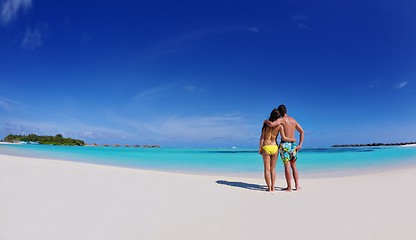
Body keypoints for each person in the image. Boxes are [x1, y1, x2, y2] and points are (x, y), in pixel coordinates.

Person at [264, 104, 304, 191]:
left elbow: (271, 124)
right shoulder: (293, 120)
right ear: (286, 111)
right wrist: (300, 145)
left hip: (285, 144)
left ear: (279, 112)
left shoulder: (281, 120)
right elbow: (302, 131)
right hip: (293, 145)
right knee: (294, 166)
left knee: (287, 166)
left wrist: (265, 121)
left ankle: (289, 187)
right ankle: (297, 186)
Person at [259, 109, 295, 192]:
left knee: (267, 169)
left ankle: (269, 188)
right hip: (275, 147)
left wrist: (260, 147)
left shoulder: (265, 124)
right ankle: (273, 187)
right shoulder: (280, 126)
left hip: (266, 146)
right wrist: (292, 139)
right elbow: (284, 138)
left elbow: (262, 137)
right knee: (273, 169)